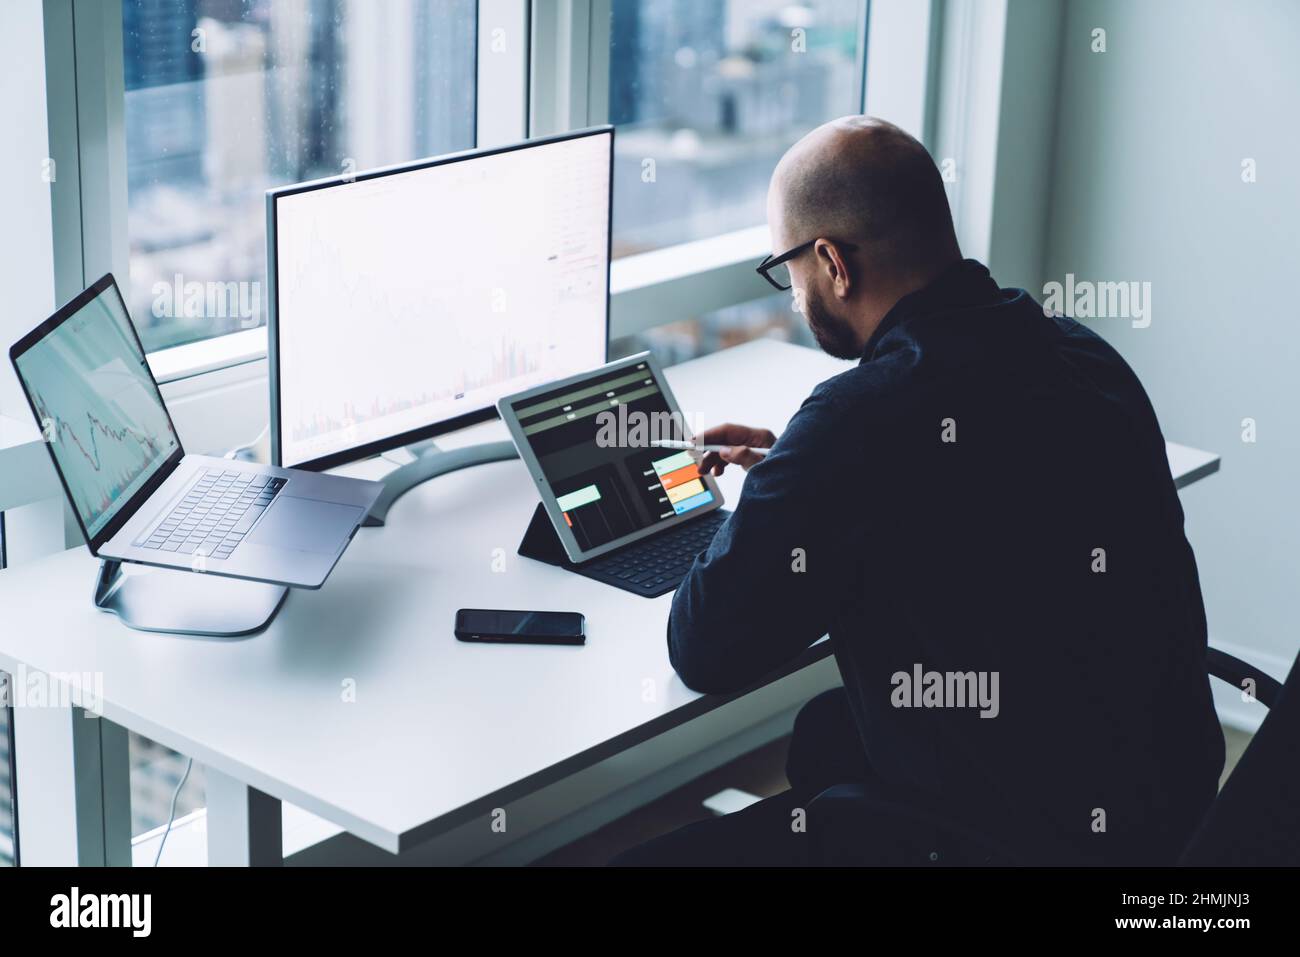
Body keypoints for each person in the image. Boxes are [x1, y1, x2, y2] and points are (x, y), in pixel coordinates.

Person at [613, 117, 1224, 867]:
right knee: (828, 733)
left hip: (1016, 837)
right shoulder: (1084, 354)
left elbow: (702, 647)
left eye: (787, 268)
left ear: (832, 262)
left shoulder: (856, 421)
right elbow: (977, 495)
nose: (794, 289)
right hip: (1170, 803)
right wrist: (804, 473)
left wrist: (784, 487)